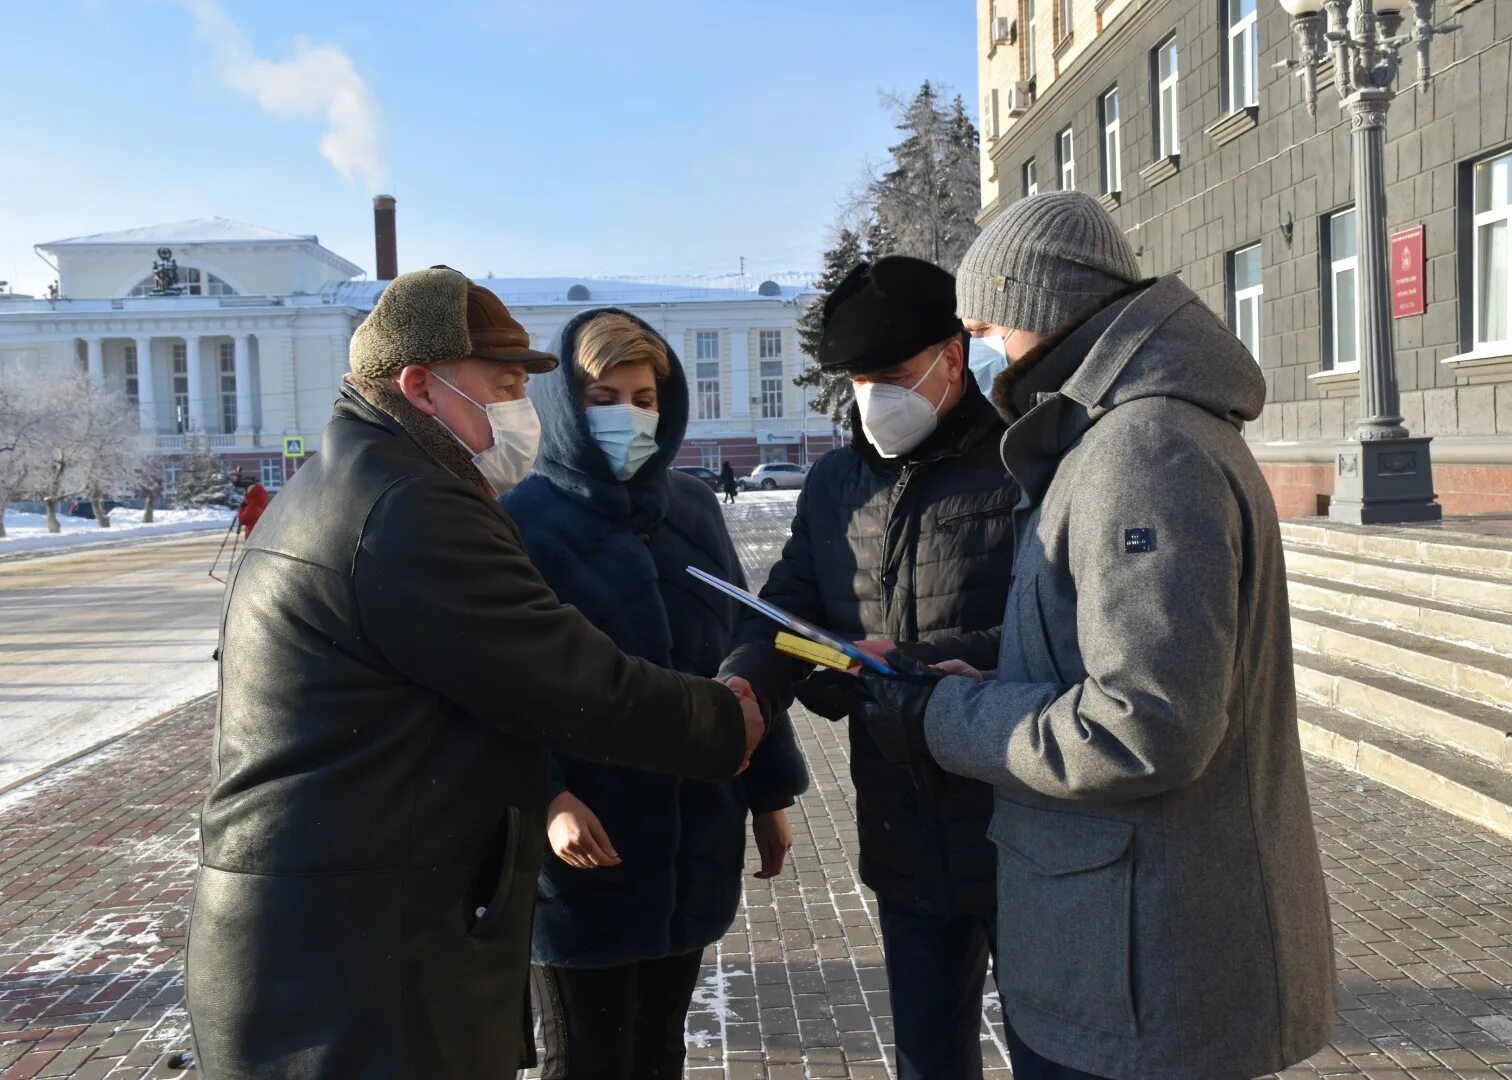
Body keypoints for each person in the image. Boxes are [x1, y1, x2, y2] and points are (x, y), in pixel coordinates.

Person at [186, 267, 766, 1080]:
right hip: (349, 963)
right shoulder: (407, 508)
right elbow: (567, 680)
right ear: (421, 387)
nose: (519, 410)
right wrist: (723, 723)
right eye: (501, 387)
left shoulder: (369, 480)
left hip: (342, 933)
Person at [853, 192, 1336, 1080]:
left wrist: (943, 717)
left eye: (988, 322)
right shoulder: (1118, 435)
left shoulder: (1141, 450)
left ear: (1043, 306)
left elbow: (1145, 726)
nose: (984, 347)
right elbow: (1104, 654)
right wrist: (983, 674)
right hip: (1129, 953)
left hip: (1143, 968)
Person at [721, 256, 1019, 1080]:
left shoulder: (1023, 465)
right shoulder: (834, 483)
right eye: (857, 379)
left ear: (951, 358)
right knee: (928, 1056)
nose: (871, 397)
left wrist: (913, 666)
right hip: (901, 826)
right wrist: (747, 683)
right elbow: (788, 608)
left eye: (890, 375)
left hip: (1019, 823)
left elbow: (1054, 631)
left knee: (1054, 1048)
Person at [501, 309, 808, 1079]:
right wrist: (547, 798)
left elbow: (747, 648)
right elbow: (491, 690)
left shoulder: (693, 510)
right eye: (604, 398)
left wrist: (769, 795)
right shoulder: (519, 525)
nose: (628, 416)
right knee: (587, 1058)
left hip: (695, 838)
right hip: (583, 856)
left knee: (659, 1050)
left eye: (643, 399)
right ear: (567, 407)